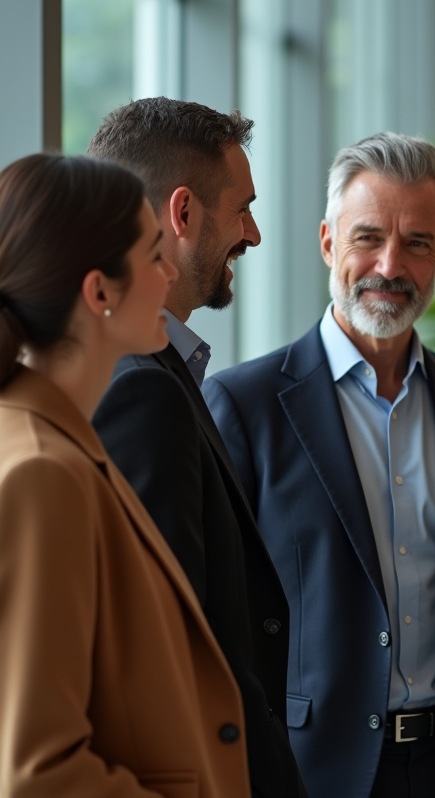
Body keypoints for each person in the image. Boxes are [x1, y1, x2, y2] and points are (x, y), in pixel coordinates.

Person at [0, 153, 250, 797]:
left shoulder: (32, 438)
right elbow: (41, 771)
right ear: (99, 293)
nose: (168, 273)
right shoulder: (38, 473)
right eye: (152, 255)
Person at [202, 132, 435, 798]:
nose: (390, 265)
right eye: (367, 238)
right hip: (308, 768)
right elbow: (219, 612)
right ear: (327, 243)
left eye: (417, 244)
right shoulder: (242, 405)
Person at [87, 98, 305, 798]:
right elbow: (168, 650)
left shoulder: (130, 367)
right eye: (242, 209)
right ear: (182, 213)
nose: (254, 234)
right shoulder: (140, 389)